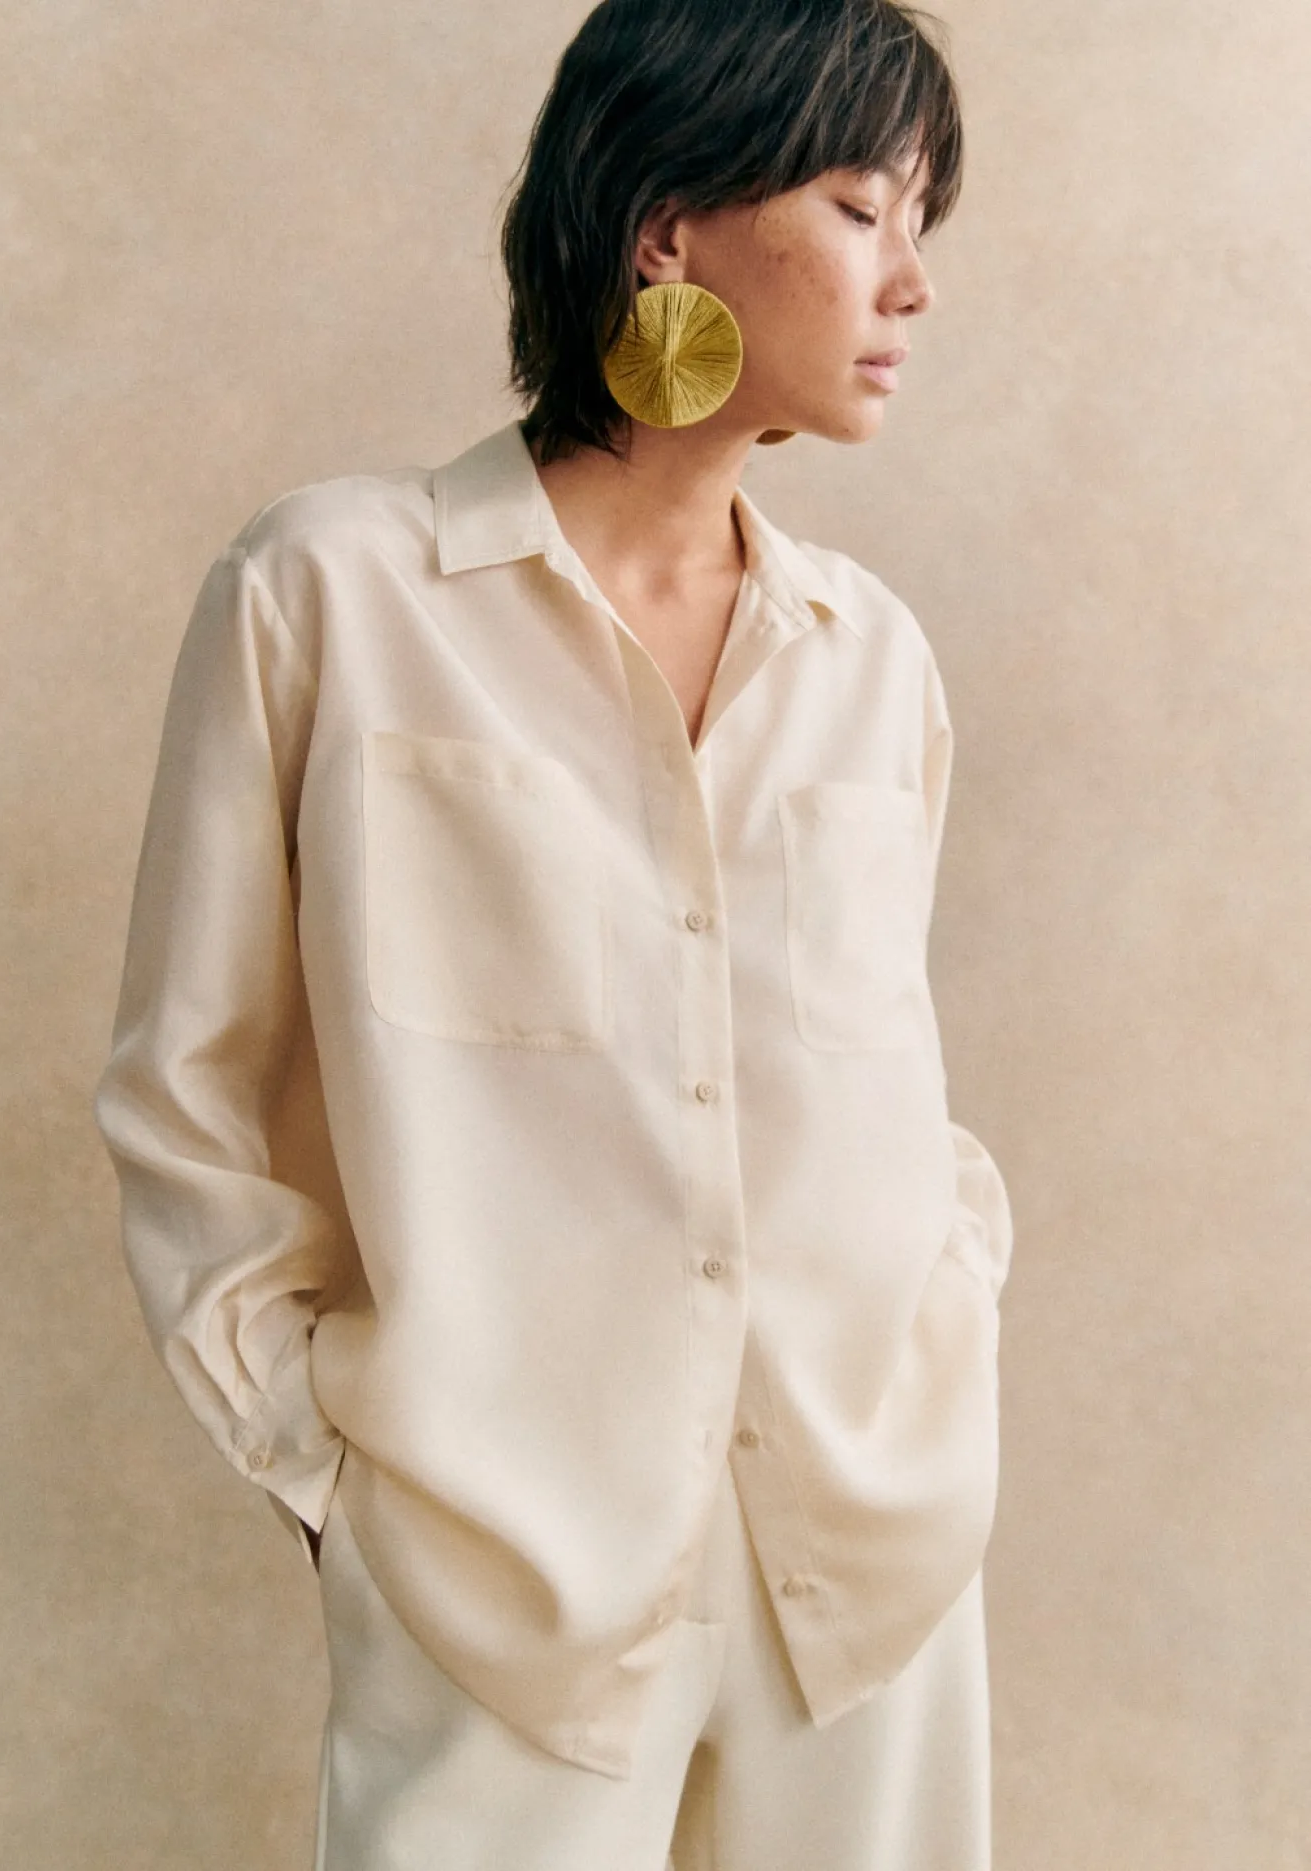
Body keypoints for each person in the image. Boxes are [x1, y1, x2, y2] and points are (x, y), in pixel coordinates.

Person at [92, 0, 1015, 1865]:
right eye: (860, 209)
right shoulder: (331, 594)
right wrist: (334, 1472)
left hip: (865, 1568)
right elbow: (187, 1093)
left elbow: (888, 1088)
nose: (910, 283)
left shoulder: (871, 660)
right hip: (497, 1569)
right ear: (667, 229)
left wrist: (950, 1307)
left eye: (918, 223)